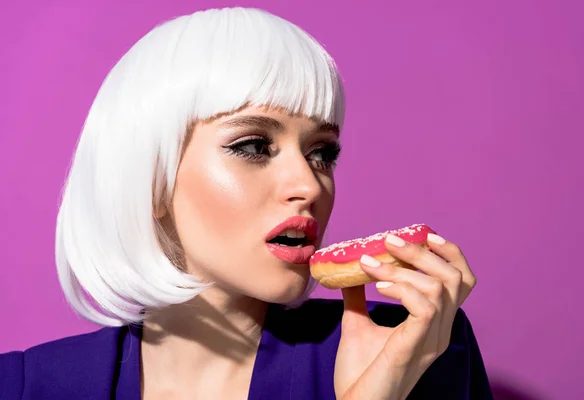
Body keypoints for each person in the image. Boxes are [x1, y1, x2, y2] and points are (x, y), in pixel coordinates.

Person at [0, 7, 492, 400]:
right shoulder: (24, 387)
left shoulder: (417, 348)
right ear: (151, 179)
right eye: (253, 146)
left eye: (322, 152)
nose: (310, 185)